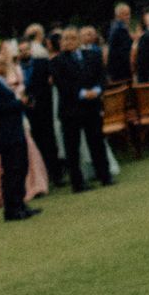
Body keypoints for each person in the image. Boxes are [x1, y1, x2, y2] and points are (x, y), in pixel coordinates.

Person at [0, 54, 43, 222]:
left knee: (21, 168)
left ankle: (20, 204)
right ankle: (11, 209)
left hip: (15, 130)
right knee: (12, 171)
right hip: (5, 134)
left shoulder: (0, 83)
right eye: (3, 65)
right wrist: (19, 103)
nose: (6, 67)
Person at [52, 29, 113, 192]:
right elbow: (62, 84)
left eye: (72, 38)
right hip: (71, 109)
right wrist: (82, 93)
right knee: (72, 147)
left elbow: (101, 75)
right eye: (65, 39)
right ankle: (77, 183)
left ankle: (105, 175)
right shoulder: (57, 61)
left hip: (92, 106)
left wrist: (98, 90)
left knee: (97, 142)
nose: (68, 42)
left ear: (79, 40)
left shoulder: (92, 55)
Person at [22, 26, 64, 182]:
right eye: (21, 50)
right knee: (35, 144)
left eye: (26, 49)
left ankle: (57, 175)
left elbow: (51, 80)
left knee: (49, 141)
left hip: (43, 107)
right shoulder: (17, 68)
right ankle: (42, 176)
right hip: (26, 111)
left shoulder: (42, 63)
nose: (24, 52)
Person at [106, 3, 135, 84]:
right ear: (118, 15)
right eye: (125, 14)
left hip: (116, 68)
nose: (128, 17)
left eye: (129, 14)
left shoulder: (115, 26)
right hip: (121, 69)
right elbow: (126, 50)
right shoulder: (120, 28)